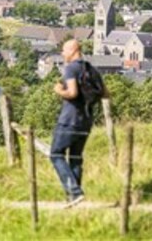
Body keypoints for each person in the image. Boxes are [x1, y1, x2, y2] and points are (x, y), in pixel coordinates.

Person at [51, 39, 93, 208]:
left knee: (55, 154)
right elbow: (105, 92)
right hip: (86, 120)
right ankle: (74, 198)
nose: (62, 54)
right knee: (75, 158)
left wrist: (60, 91)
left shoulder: (71, 68)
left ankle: (74, 192)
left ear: (73, 50)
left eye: (64, 50)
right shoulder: (90, 69)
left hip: (70, 120)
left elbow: (73, 92)